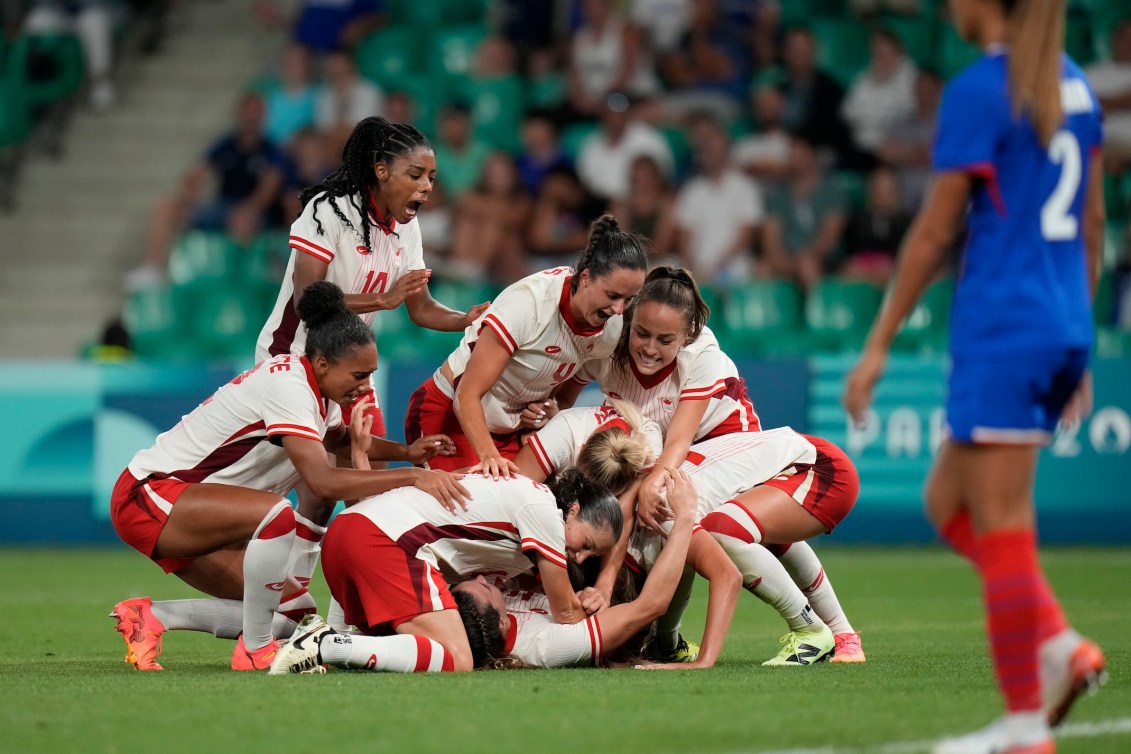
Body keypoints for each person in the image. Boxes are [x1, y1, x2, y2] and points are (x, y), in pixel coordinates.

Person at [842, 1, 1107, 751]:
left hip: (1003, 328)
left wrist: (876, 344)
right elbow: (1090, 225)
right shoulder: (1072, 84)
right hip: (1052, 323)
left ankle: (1025, 725)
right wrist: (1077, 337)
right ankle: (1057, 643)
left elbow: (932, 232)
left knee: (1001, 527)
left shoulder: (981, 88)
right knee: (944, 501)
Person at [109, 282, 467, 672]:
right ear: (324, 364)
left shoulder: (320, 392)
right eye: (360, 376)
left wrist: (405, 452)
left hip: (200, 510)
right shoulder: (288, 387)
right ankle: (255, 650)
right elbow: (323, 482)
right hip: (150, 496)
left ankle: (152, 617)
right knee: (277, 514)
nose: (366, 388)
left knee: (295, 613)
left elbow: (338, 439)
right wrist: (412, 477)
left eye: (371, 376)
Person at [581, 267, 865, 663]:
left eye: (665, 340)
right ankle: (839, 635)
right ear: (628, 320)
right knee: (690, 532)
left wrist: (652, 483)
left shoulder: (701, 352)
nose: (648, 348)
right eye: (642, 333)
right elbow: (565, 377)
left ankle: (820, 630)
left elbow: (679, 438)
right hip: (680, 457)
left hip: (725, 442)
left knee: (713, 529)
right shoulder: (609, 347)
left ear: (687, 334)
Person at [267, 469, 624, 674]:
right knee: (457, 656)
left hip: (347, 533)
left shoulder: (523, 506)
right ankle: (325, 644)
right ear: (573, 510)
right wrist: (598, 602)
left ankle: (321, 636)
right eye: (588, 544)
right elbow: (566, 615)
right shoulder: (545, 511)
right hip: (384, 540)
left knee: (391, 647)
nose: (579, 558)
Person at [405, 214, 649, 476]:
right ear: (586, 277)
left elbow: (564, 397)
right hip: (449, 416)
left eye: (629, 299)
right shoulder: (529, 305)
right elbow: (466, 396)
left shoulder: (610, 329)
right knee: (476, 508)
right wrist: (490, 458)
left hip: (510, 433)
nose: (618, 309)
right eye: (613, 295)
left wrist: (549, 411)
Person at [459, 467, 706, 669]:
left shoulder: (483, 610)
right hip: (627, 628)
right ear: (501, 624)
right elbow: (651, 605)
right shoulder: (545, 647)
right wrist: (685, 516)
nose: (484, 579)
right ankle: (667, 643)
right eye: (487, 589)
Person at [128, 93, 286, 290]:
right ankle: (152, 268)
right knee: (166, 208)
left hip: (255, 212)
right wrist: (187, 197)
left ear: (263, 116)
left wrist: (248, 209)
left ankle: (234, 286)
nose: (251, 116)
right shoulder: (226, 144)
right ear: (240, 113)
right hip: (222, 208)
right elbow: (198, 172)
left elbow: (269, 189)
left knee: (242, 222)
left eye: (256, 112)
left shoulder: (271, 149)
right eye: (248, 111)